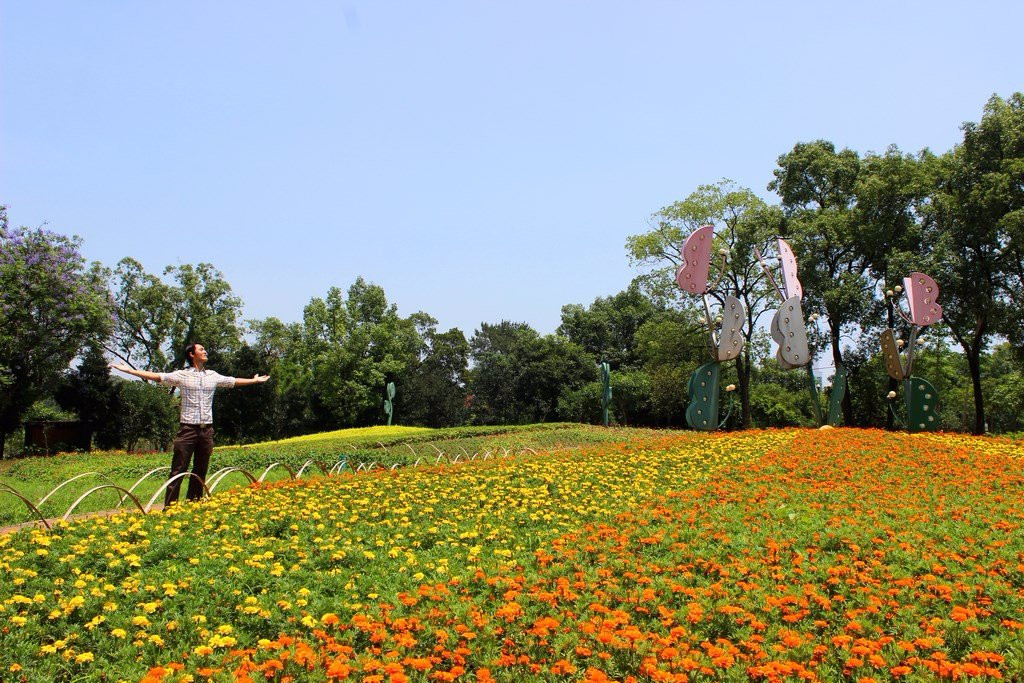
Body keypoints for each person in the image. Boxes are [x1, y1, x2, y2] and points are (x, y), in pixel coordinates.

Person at [110, 343, 269, 507]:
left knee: (200, 470)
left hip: (207, 430)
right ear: (192, 354)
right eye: (201, 349)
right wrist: (130, 371)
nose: (205, 351)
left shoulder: (213, 375)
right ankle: (170, 507)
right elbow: (158, 376)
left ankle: (194, 504)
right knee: (178, 469)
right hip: (187, 429)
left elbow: (233, 381)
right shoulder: (182, 375)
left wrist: (254, 380)